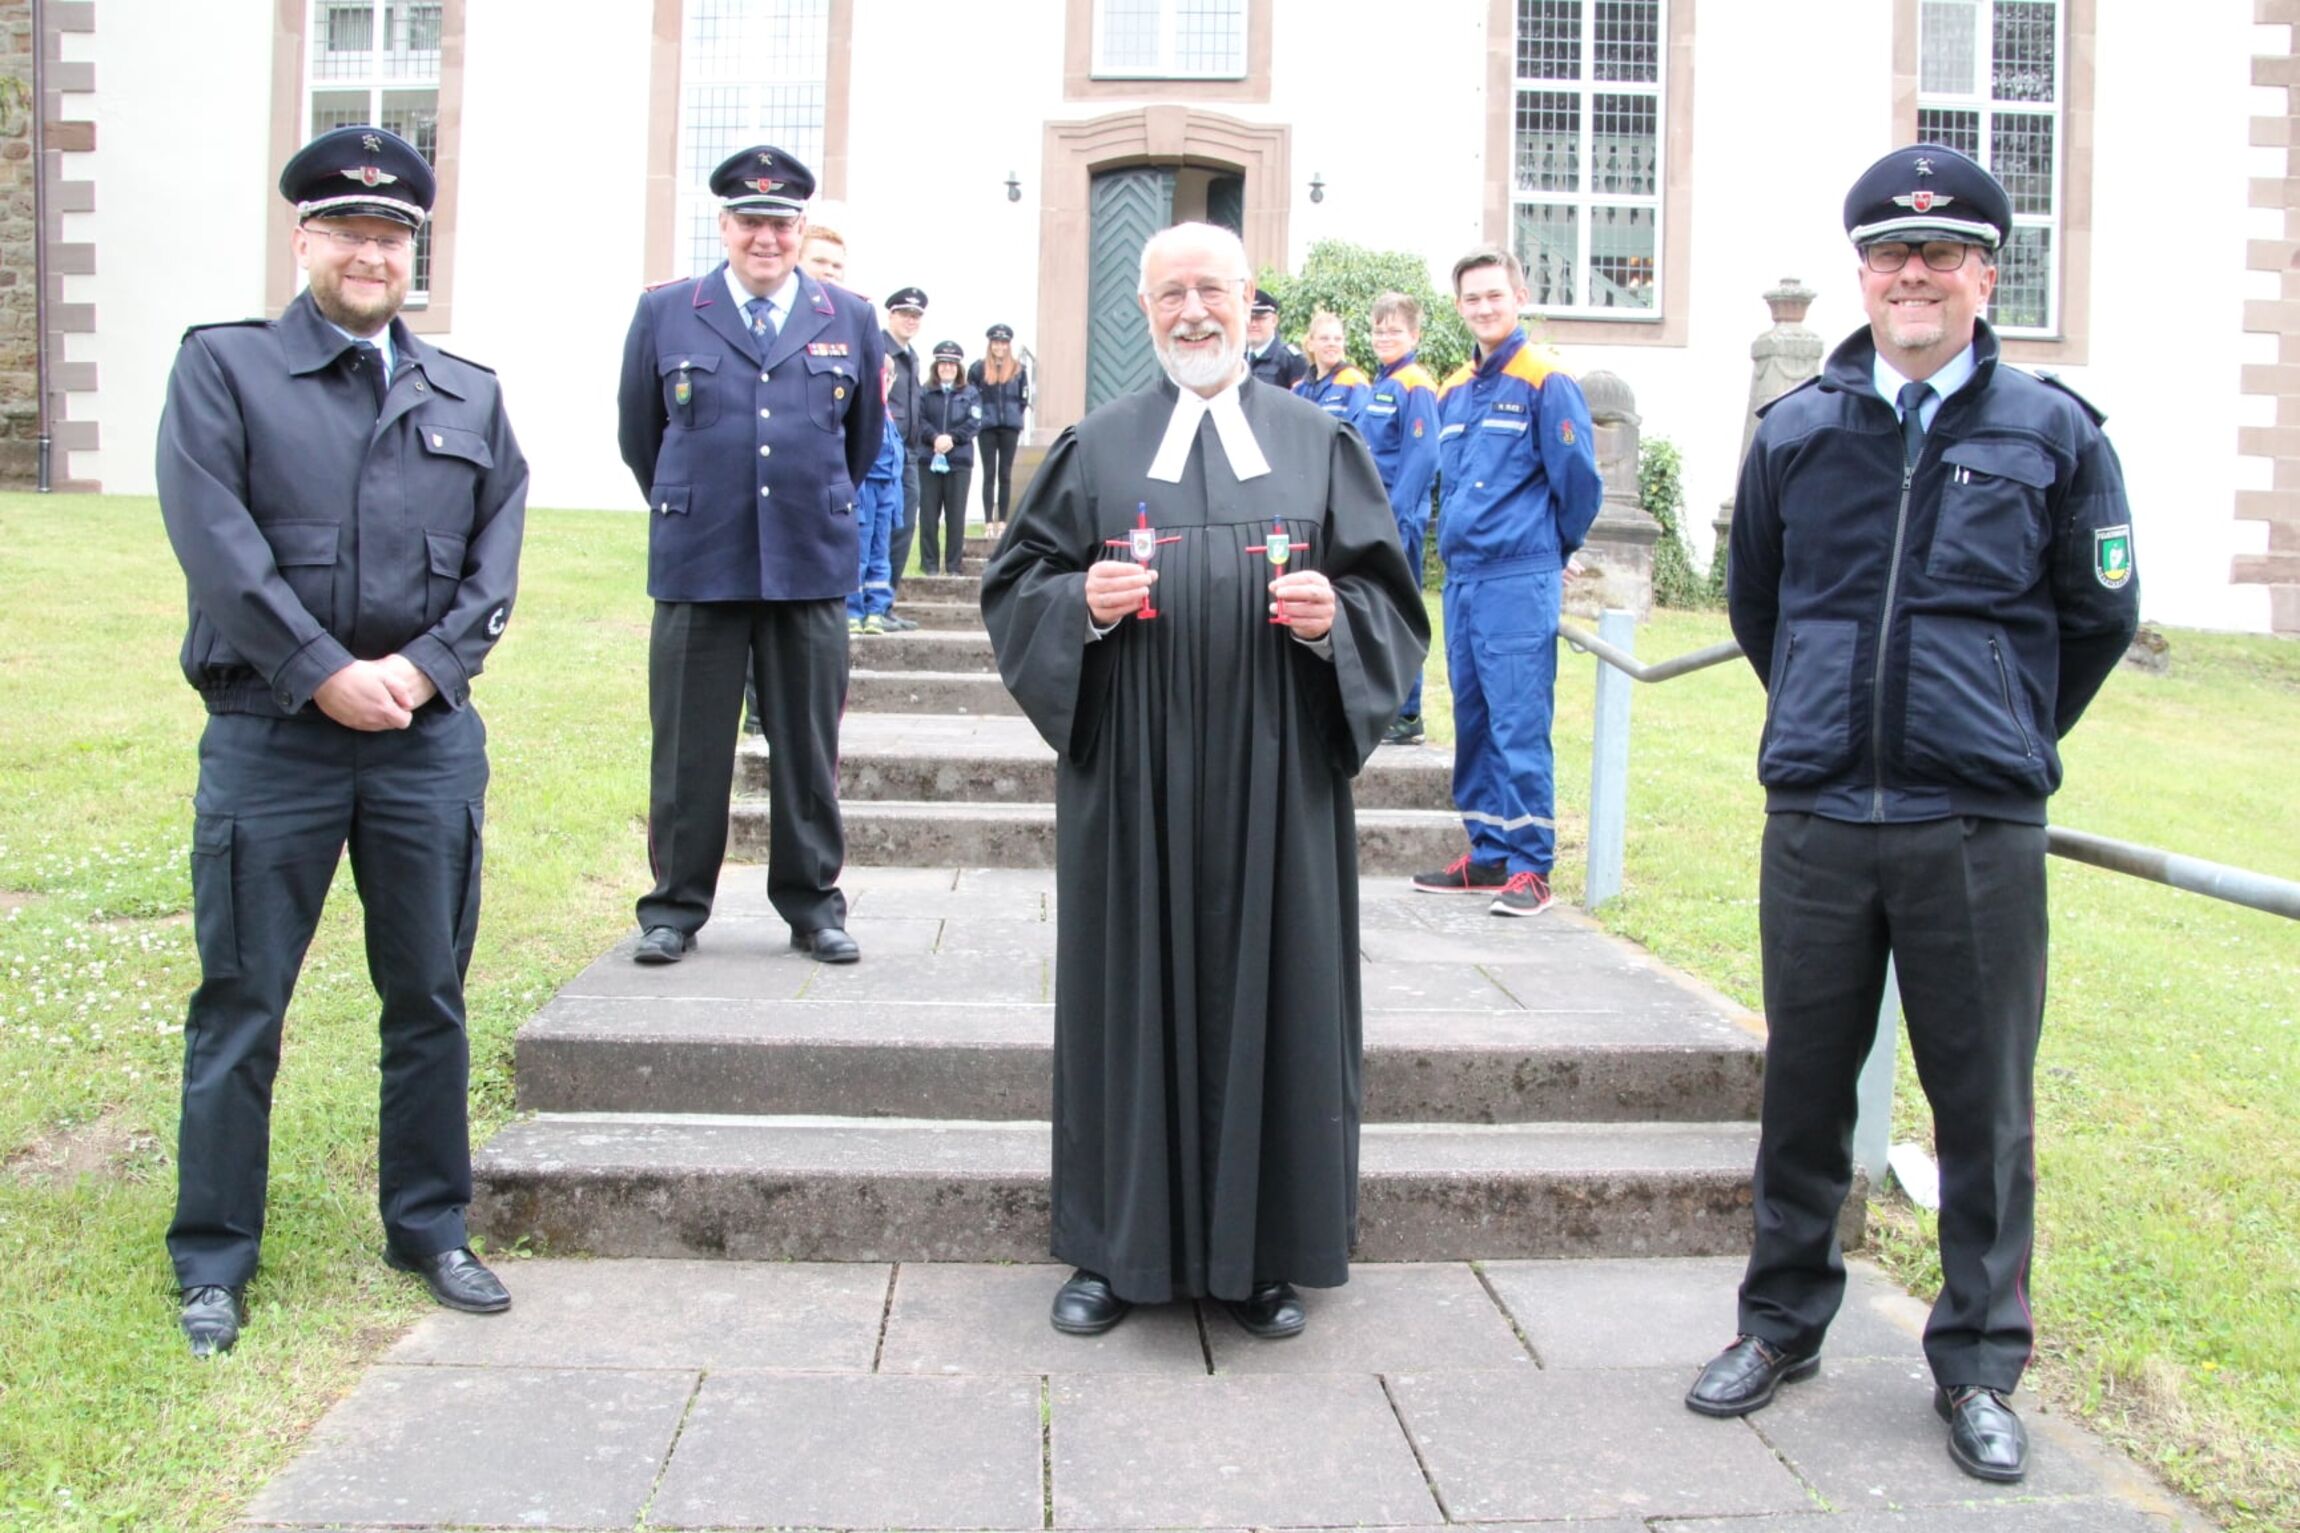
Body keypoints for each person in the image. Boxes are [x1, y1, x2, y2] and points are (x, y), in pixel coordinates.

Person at [1687, 144, 2140, 1487]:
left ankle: (1982, 1362)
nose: (1912, 275)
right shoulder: (1797, 433)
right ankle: (1781, 1325)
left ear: (1984, 275)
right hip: (1823, 812)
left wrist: (1995, 729)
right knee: (1804, 1088)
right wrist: (1836, 720)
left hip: (1972, 825)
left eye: (1939, 255)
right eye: (1889, 255)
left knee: (1982, 1102)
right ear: (1864, 275)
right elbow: (1758, 609)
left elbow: (2098, 618)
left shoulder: (2053, 433)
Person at [981, 222, 1428, 1342]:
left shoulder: (1318, 441)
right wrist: (1076, 604)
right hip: (1131, 778)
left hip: (1278, 780)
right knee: (1120, 1000)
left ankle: (1264, 1259)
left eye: (1212, 291)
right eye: (1170, 293)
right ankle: (1110, 1251)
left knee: (1276, 1000)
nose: (1193, 311)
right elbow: (1015, 584)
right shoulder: (1095, 446)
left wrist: (1339, 623)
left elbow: (1391, 600)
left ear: (1246, 302)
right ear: (1145, 311)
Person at [155, 124, 528, 1356]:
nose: (372, 253)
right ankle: (214, 1255)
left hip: (423, 745)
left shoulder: (467, 392)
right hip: (273, 737)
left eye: (393, 237)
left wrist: (420, 672)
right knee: (242, 999)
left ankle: (429, 1227)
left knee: (425, 995)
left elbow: (492, 564)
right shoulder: (227, 371)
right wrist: (320, 673)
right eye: (349, 231)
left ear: (413, 253)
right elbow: (217, 543)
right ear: (304, 238)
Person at [615, 144, 886, 969]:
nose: (765, 237)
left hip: (808, 557)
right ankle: (673, 909)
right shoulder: (667, 312)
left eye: (781, 222)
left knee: (807, 747)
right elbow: (641, 435)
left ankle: (812, 906)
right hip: (701, 558)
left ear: (802, 228)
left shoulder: (852, 317)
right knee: (690, 747)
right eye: (749, 221)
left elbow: (861, 440)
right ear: (724, 225)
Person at [1411, 247, 1600, 916]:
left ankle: (1531, 867)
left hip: (1518, 576)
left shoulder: (1547, 380)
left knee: (1519, 720)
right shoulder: (1455, 387)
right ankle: (1488, 850)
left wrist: (1555, 546)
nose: (1484, 307)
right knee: (1475, 719)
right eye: (1472, 298)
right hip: (1464, 578)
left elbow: (1579, 481)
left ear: (1518, 296)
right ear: (1458, 306)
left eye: (1495, 295)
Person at [1360, 292, 1442, 745]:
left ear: (1414, 335)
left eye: (1394, 330)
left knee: (1402, 613)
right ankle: (1390, 705)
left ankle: (1408, 712)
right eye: (1378, 329)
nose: (1384, 337)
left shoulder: (1416, 384)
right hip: (1378, 515)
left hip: (1399, 520)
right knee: (1381, 611)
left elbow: (1423, 456)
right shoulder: (1383, 382)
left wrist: (1396, 518)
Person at [880, 286, 929, 621]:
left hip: (909, 454)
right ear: (891, 315)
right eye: (905, 314)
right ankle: (871, 605)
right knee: (879, 530)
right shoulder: (878, 350)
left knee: (902, 530)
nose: (910, 321)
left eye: (916, 316)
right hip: (882, 451)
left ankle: (886, 602)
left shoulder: (911, 357)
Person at [915, 339, 984, 576]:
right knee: (928, 516)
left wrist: (951, 439)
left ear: (959, 367)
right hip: (928, 460)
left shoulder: (971, 393)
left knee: (956, 516)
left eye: (952, 364)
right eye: (943, 363)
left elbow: (974, 423)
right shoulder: (924, 392)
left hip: (959, 462)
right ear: (936, 366)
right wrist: (934, 438)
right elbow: (919, 420)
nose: (947, 368)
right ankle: (930, 565)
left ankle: (954, 566)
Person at [969, 323, 1030, 530]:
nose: (1000, 347)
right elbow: (971, 397)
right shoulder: (977, 369)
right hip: (986, 427)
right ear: (990, 344)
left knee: (1005, 473)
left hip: (1010, 427)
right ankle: (988, 521)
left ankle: (1002, 521)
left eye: (1004, 343)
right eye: (996, 342)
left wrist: (1013, 417)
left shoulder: (1018, 370)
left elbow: (1023, 400)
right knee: (989, 473)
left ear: (1009, 345)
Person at [1293, 309, 1369, 422]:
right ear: (1310, 345)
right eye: (1324, 338)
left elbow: (1359, 432)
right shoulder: (1300, 389)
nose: (1332, 343)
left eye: (1337, 339)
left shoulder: (1354, 382)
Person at [1245, 288, 1308, 391]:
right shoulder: (1235, 358)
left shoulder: (1291, 360)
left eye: (1260, 318)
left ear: (1274, 321)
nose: (1253, 324)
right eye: (1250, 318)